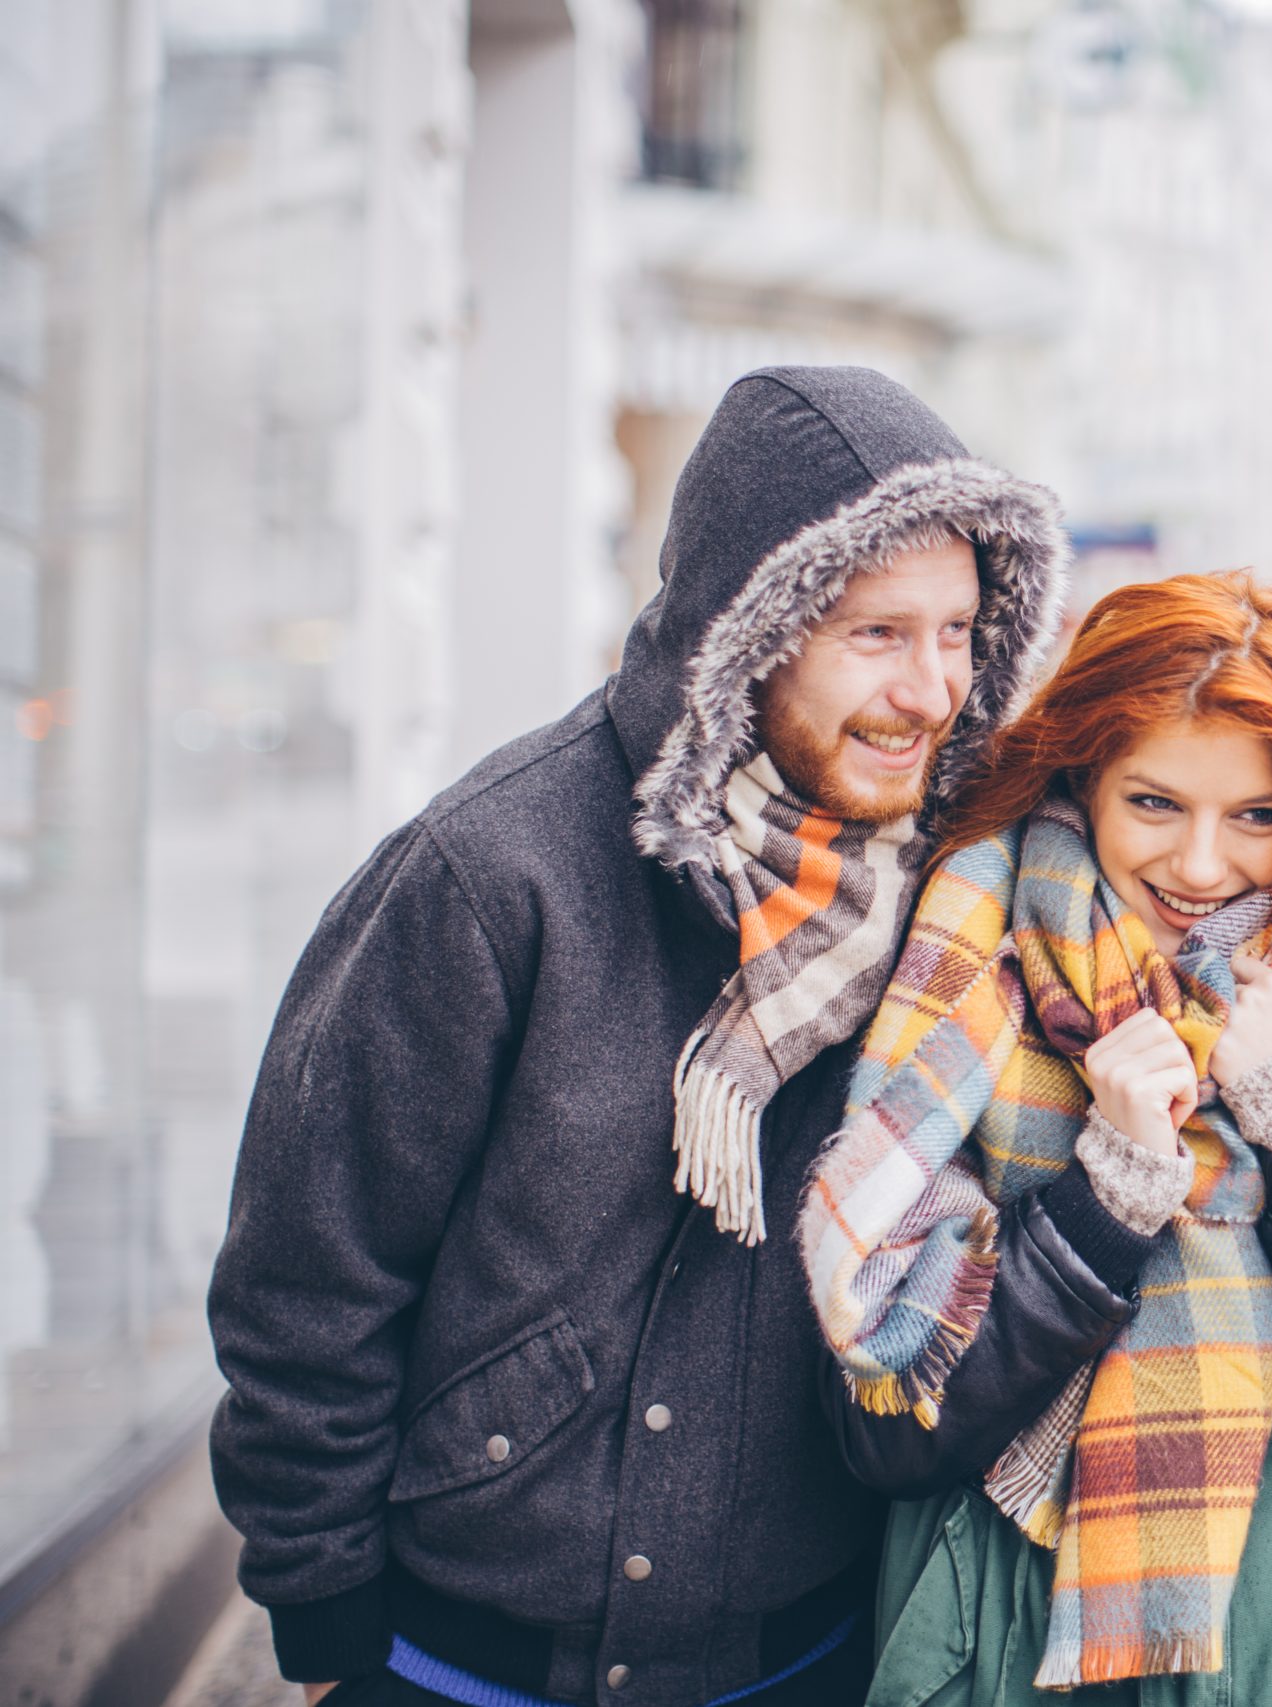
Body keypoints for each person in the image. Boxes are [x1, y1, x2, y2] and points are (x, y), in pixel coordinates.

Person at [205, 367, 1068, 1707]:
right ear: (750, 628)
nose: (936, 688)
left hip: (803, 1653)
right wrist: (327, 1629)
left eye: (960, 630)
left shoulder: (954, 898)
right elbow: (310, 1272)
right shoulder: (494, 870)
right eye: (879, 634)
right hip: (459, 1659)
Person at [799, 571, 1272, 1704]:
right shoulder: (965, 963)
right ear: (1083, 773)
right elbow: (891, 1431)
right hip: (998, 1617)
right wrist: (1110, 1195)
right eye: (1154, 804)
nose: (1198, 867)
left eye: (1257, 817)